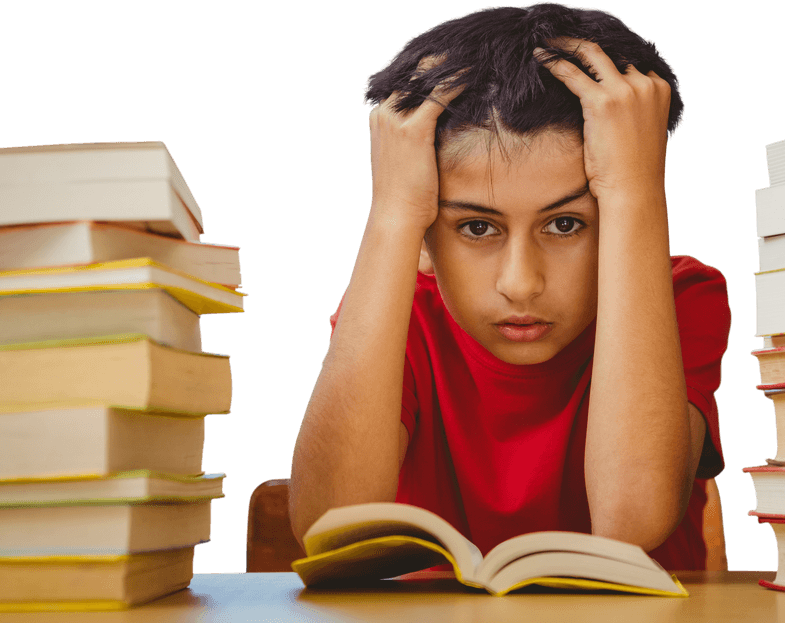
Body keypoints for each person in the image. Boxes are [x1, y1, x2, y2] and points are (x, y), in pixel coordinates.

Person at [289, 2, 731, 570]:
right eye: (476, 227)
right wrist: (392, 213)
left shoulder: (682, 297)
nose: (520, 284)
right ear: (425, 239)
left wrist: (634, 191)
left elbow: (632, 521)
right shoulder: (398, 311)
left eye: (566, 224)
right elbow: (329, 528)